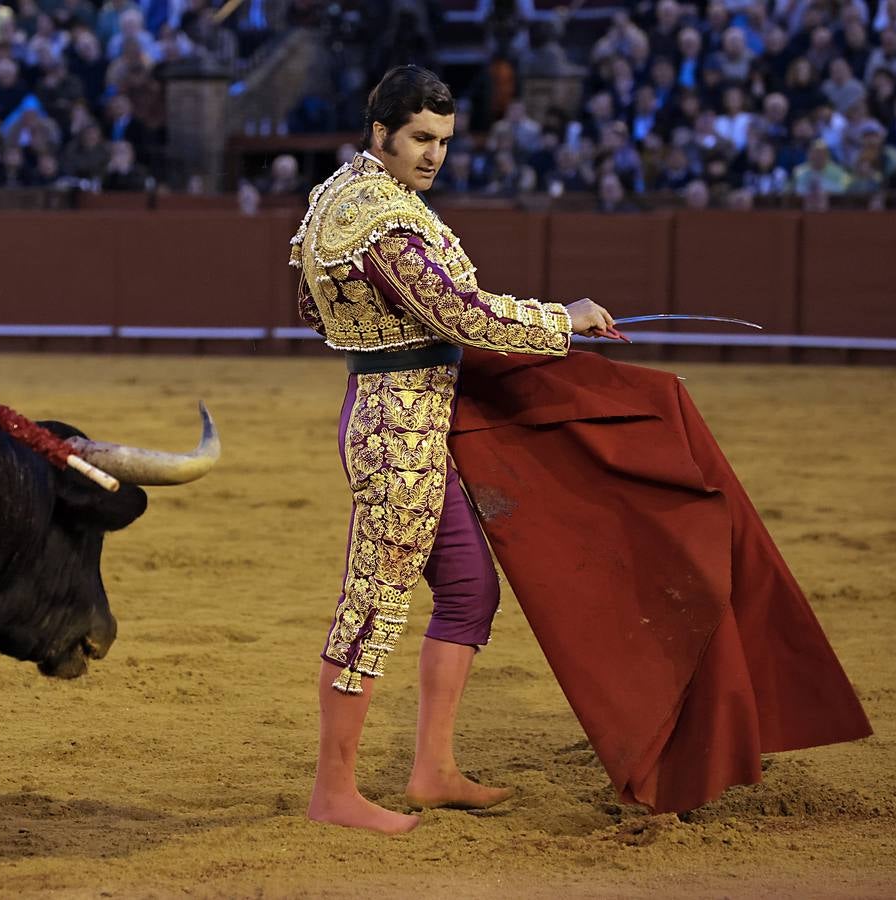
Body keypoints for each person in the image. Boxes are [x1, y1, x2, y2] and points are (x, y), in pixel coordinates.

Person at [289, 66, 616, 835]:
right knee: (371, 607)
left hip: (399, 413)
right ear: (382, 134)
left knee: (469, 588)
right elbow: (463, 315)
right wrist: (560, 319)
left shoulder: (342, 197)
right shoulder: (383, 220)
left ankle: (432, 770)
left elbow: (308, 303)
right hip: (396, 429)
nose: (432, 155)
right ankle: (333, 793)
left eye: (442, 141)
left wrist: (380, 340)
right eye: (419, 139)